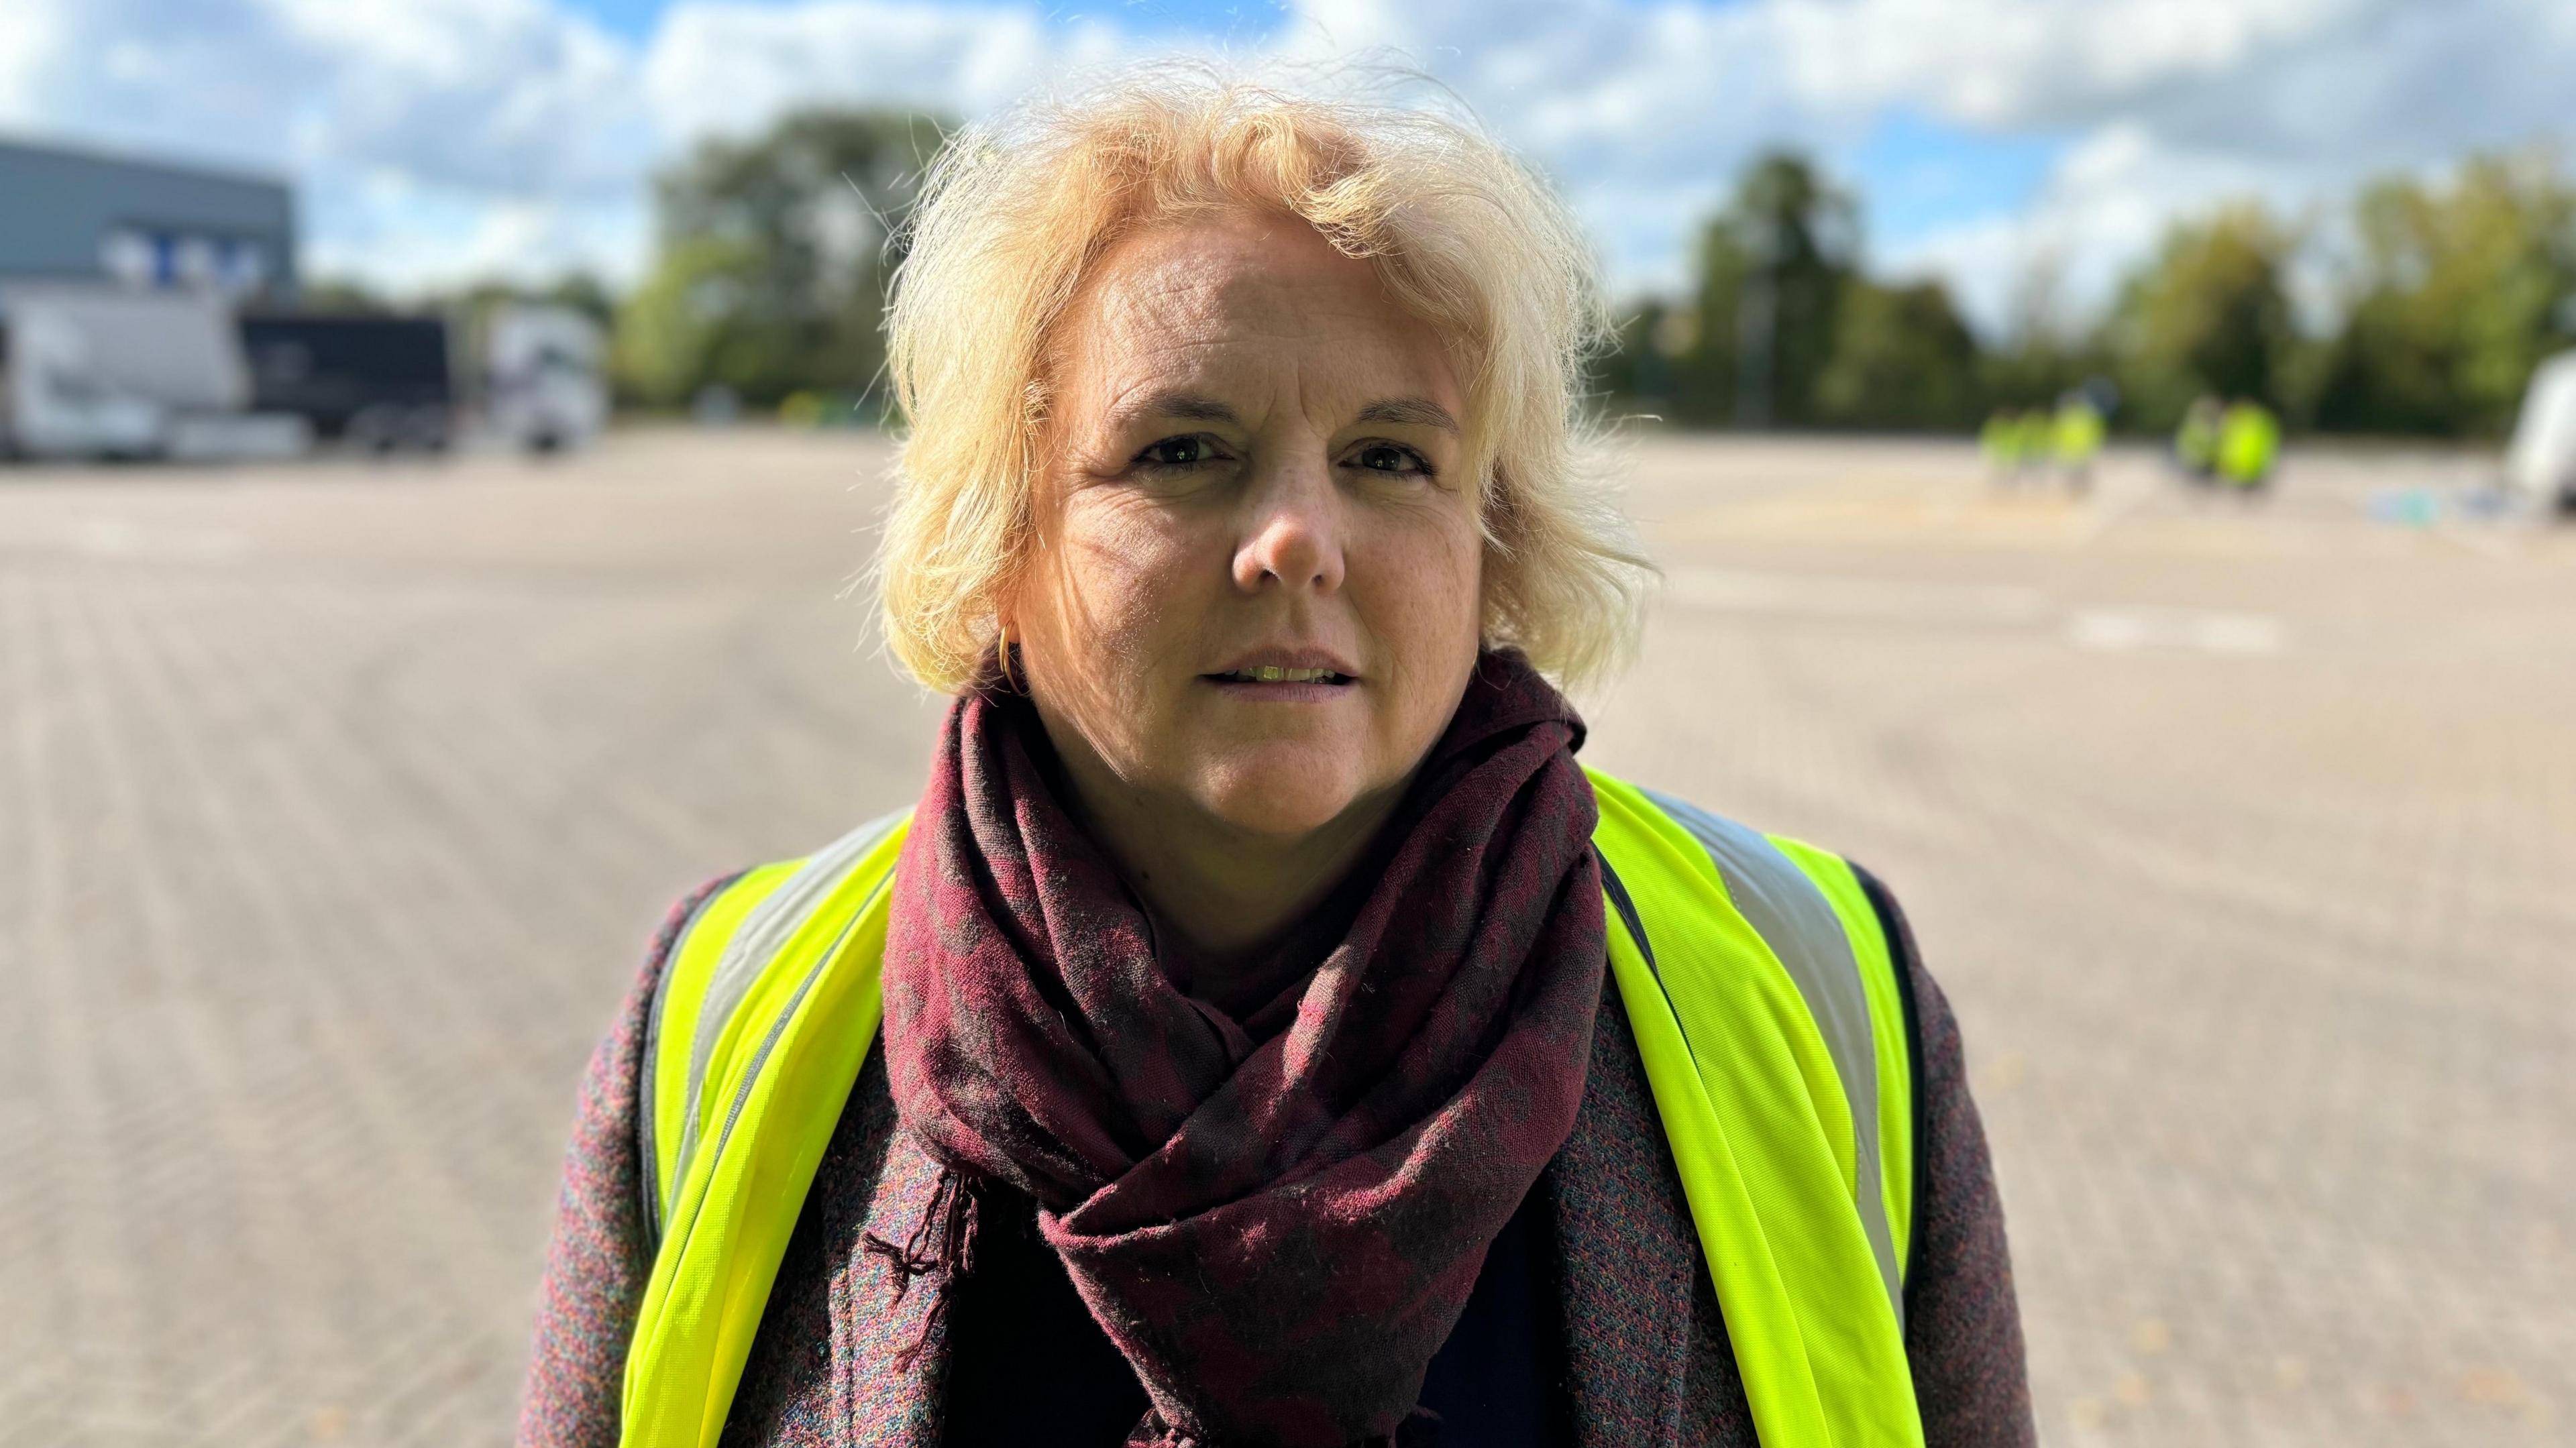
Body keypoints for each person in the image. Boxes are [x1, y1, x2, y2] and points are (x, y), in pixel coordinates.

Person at [519, 67, 2033, 1448]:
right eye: (1181, 449)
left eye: (1391, 455)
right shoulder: (721, 1010)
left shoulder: (1826, 986)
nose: (1300, 536)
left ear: (1492, 546)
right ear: (1000, 542)